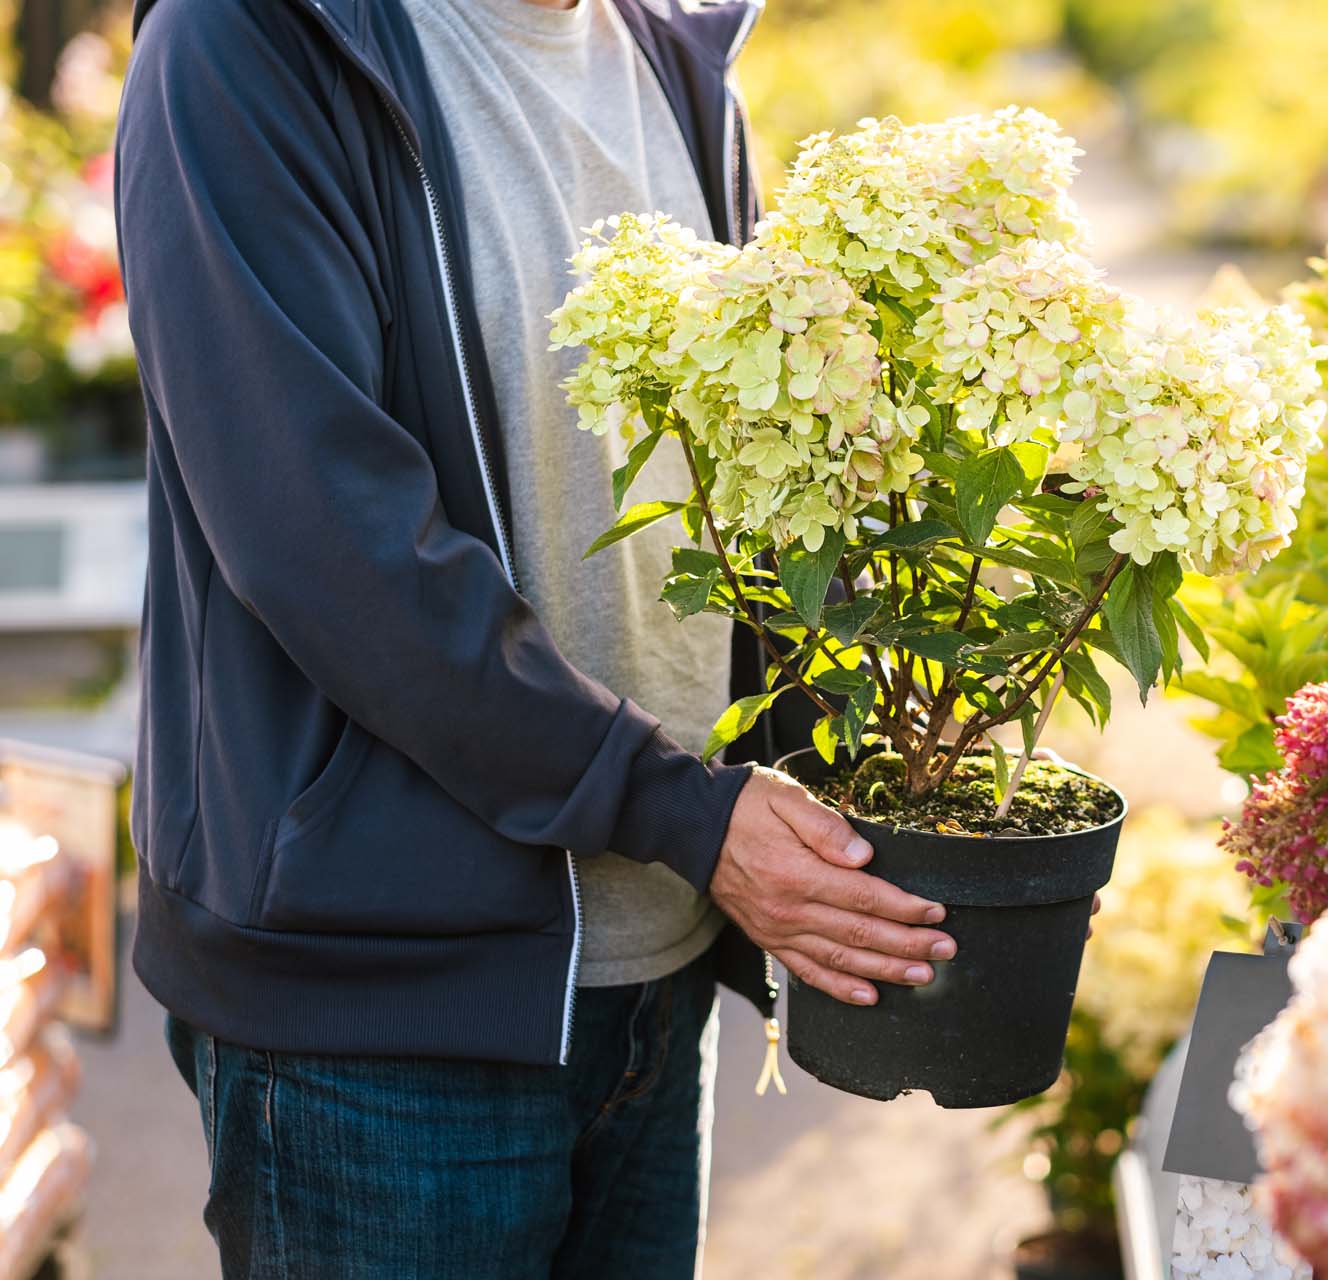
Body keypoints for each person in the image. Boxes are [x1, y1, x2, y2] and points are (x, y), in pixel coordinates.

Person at [114, 0, 957, 1274]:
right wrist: (680, 808)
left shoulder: (678, 67)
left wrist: (900, 779)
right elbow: (329, 541)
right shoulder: (252, 40)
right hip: (382, 1024)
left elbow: (758, 483)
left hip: (657, 969)